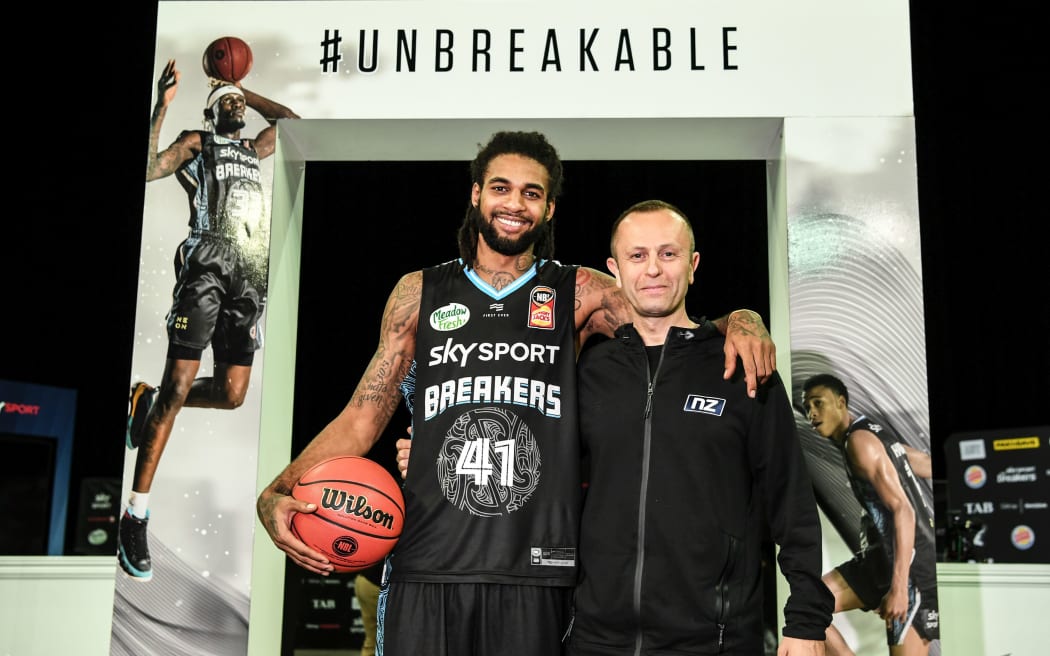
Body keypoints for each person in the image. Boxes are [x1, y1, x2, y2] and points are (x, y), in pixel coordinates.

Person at [257, 131, 776, 656]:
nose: (514, 203)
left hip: (539, 570)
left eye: (532, 193)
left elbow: (670, 321)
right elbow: (361, 419)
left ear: (549, 209)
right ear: (476, 194)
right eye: (501, 188)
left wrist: (742, 318)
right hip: (428, 564)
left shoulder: (580, 291)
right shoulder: (419, 293)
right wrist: (276, 490)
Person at [563, 200, 832, 655]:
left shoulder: (741, 366)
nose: (653, 269)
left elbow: (792, 500)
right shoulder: (588, 372)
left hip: (715, 640)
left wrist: (806, 621)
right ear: (615, 268)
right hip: (595, 639)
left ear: (693, 265)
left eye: (668, 254)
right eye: (637, 256)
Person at [119, 58, 300, 581]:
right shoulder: (199, 142)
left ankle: (149, 402)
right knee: (180, 385)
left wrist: (245, 87)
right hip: (207, 264)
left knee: (232, 393)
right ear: (211, 111)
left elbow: (291, 121)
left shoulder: (252, 147)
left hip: (250, 268)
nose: (236, 104)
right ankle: (137, 514)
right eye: (226, 99)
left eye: (238, 100)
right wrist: (160, 108)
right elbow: (150, 167)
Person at [801, 373, 939, 656]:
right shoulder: (872, 435)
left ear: (841, 403)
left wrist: (899, 588)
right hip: (878, 560)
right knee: (807, 605)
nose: (812, 413)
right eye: (807, 407)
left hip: (909, 569)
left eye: (818, 403)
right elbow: (924, 463)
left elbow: (903, 510)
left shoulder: (860, 443)